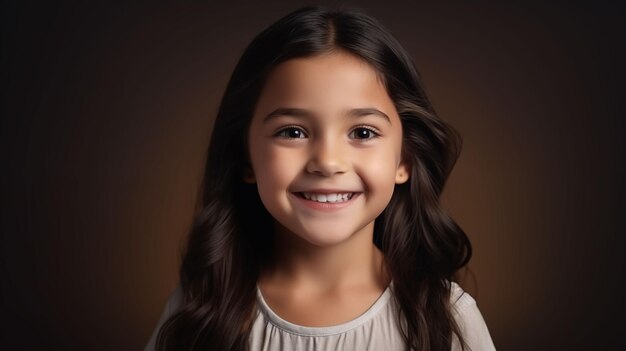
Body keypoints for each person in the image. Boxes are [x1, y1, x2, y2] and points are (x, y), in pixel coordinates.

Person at [145, 5, 496, 351]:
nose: (328, 162)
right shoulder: (200, 311)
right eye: (293, 132)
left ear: (404, 160)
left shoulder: (447, 318)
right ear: (246, 157)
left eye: (362, 132)